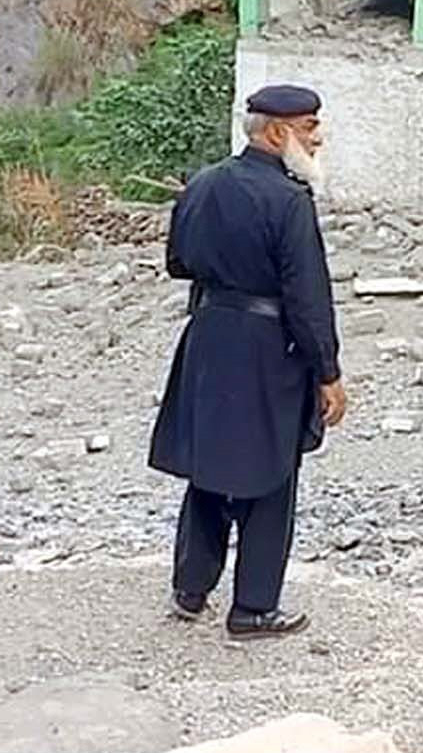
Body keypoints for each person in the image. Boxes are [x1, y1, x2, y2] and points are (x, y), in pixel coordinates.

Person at [149, 83, 348, 640]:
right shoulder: (288, 201)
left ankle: (191, 587)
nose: (318, 137)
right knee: (271, 473)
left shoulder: (203, 185)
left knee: (211, 464)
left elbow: (178, 262)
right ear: (278, 132)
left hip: (210, 336)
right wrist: (328, 372)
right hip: (268, 347)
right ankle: (254, 607)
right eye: (309, 127)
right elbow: (308, 297)